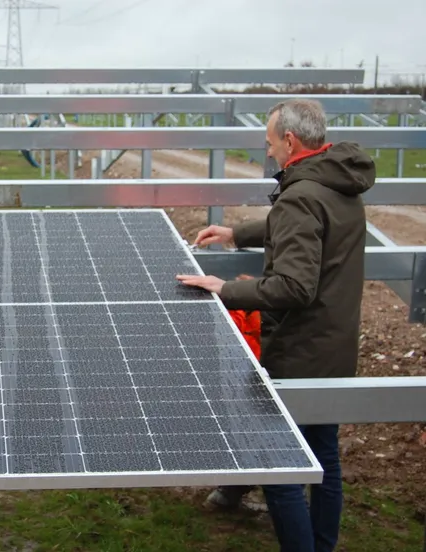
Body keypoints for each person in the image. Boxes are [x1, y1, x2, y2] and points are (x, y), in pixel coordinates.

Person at [176, 98, 375, 552]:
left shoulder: (301, 195)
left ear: (289, 140)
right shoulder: (339, 184)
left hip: (299, 350)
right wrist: (237, 233)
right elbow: (303, 227)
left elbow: (294, 286)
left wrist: (225, 289)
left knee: (280, 467)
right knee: (324, 456)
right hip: (336, 344)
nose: (268, 153)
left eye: (269, 144)